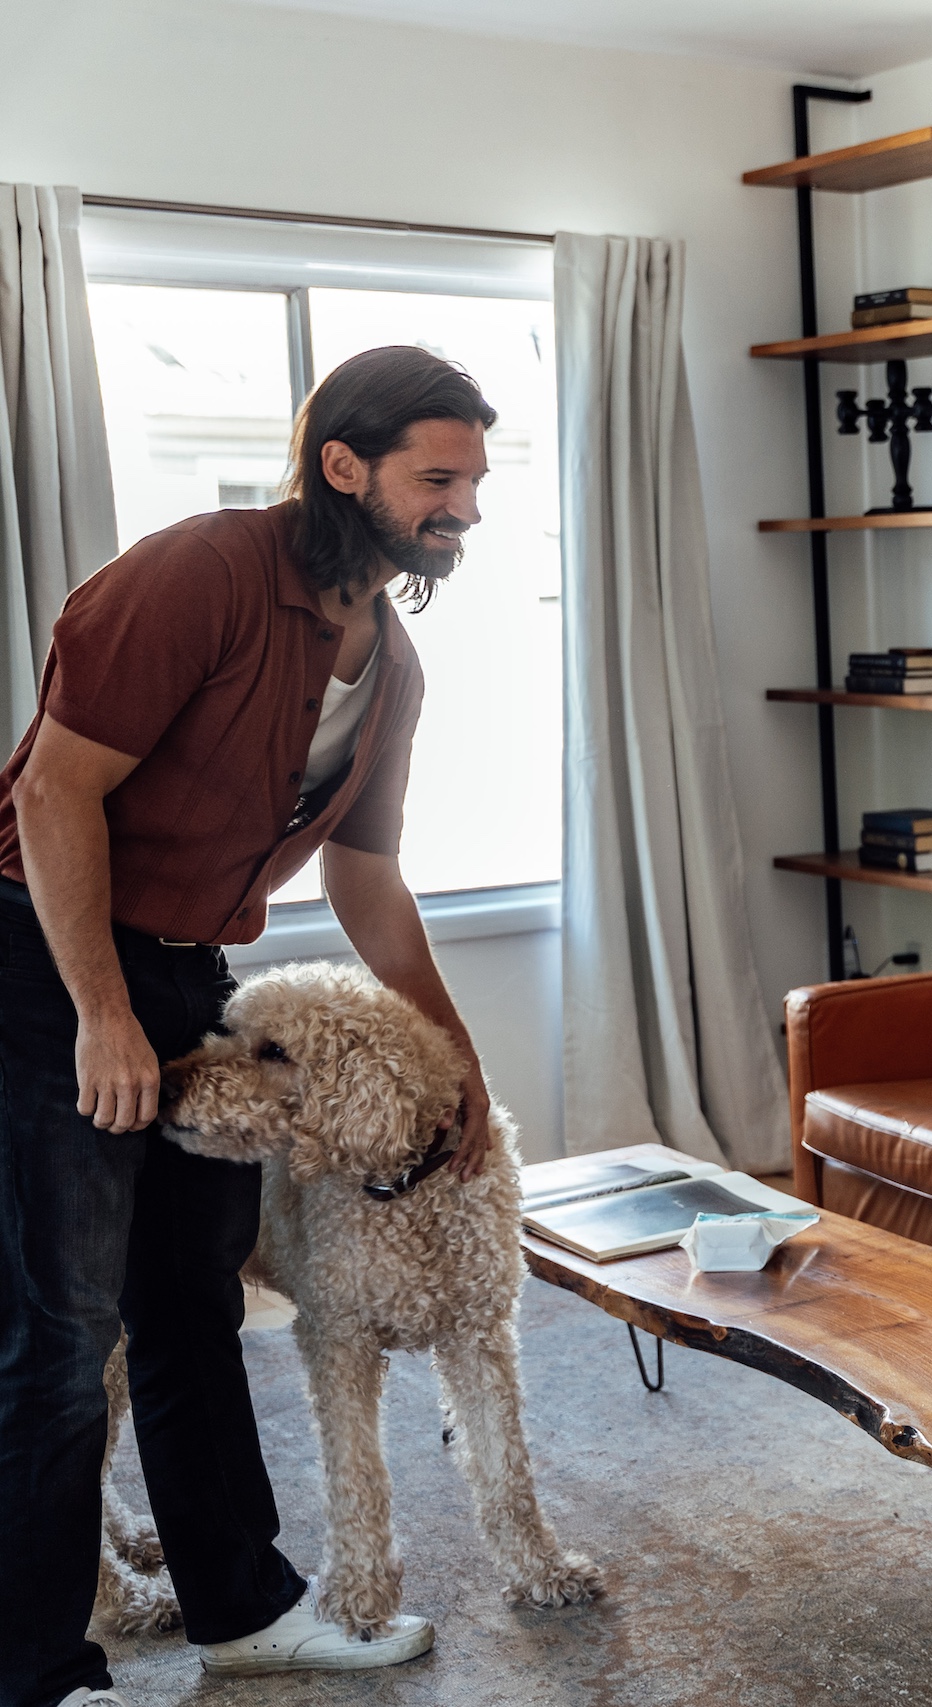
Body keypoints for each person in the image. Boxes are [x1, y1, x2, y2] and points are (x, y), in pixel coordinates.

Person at [0, 345, 504, 1707]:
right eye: (438, 479)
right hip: (39, 950)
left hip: (186, 967)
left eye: (474, 482)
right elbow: (53, 792)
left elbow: (365, 874)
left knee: (193, 1304)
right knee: (62, 1331)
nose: (464, 509)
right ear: (344, 465)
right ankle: (35, 1672)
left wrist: (455, 1063)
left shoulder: (390, 665)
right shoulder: (203, 572)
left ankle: (245, 1611)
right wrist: (100, 1011)